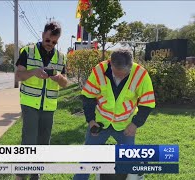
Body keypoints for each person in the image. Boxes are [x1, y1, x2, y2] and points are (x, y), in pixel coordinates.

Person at [73, 49, 156, 180]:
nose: (119, 77)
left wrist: (135, 124)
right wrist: (91, 121)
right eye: (116, 74)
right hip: (100, 124)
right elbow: (88, 96)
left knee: (131, 162)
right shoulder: (99, 70)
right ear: (110, 64)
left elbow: (147, 103)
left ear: (131, 65)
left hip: (125, 126)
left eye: (123, 75)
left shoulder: (141, 75)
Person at [15, 21, 68, 180]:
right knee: (29, 139)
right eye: (48, 40)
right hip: (30, 103)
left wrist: (59, 78)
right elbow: (19, 76)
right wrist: (34, 72)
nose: (50, 44)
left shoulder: (61, 57)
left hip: (49, 105)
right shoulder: (27, 51)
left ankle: (35, 174)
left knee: (44, 142)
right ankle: (21, 175)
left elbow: (65, 82)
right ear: (43, 35)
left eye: (54, 42)